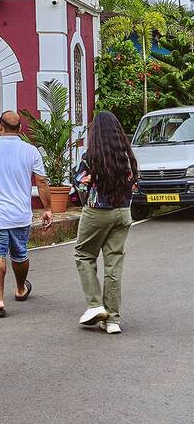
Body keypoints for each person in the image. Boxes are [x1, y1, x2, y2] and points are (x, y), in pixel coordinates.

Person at [0, 111, 53, 317]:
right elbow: (41, 181)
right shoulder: (30, 150)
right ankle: (21, 288)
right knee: (20, 252)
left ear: (0, 127)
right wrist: (48, 209)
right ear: (20, 129)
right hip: (20, 214)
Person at [74, 111, 138, 334]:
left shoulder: (91, 156)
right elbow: (134, 184)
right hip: (123, 213)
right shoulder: (126, 155)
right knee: (114, 263)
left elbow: (80, 184)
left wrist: (86, 201)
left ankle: (94, 306)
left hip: (97, 211)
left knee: (84, 254)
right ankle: (112, 320)